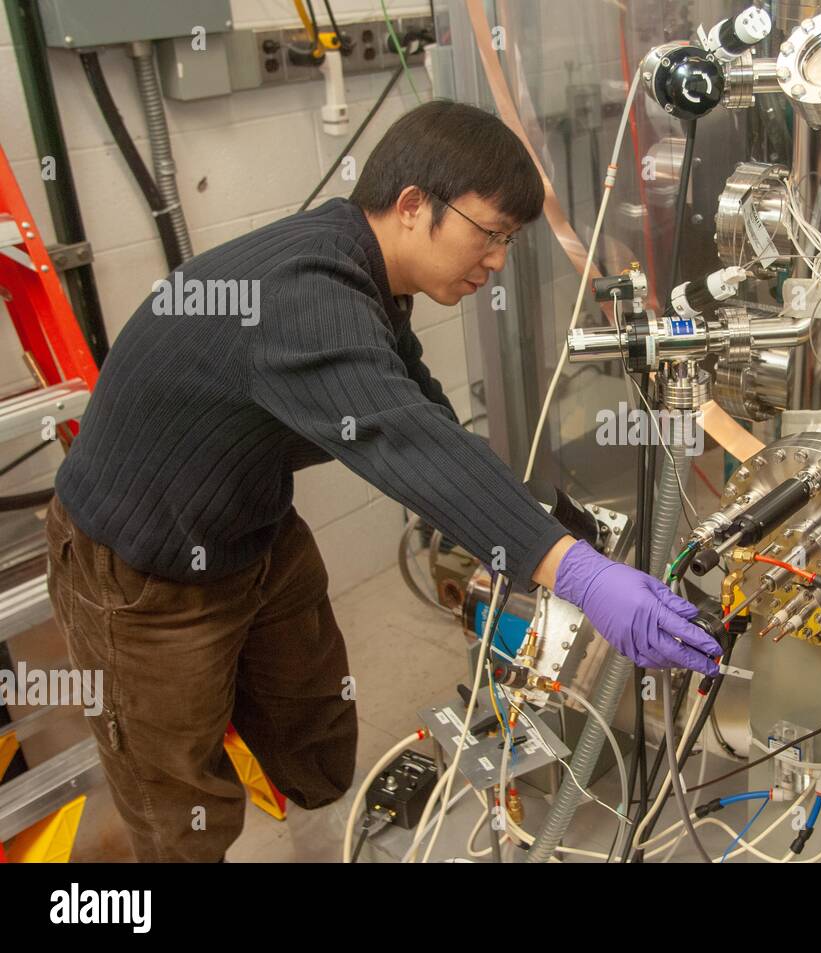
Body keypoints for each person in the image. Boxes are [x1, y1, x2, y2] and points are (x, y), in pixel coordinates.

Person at [45, 99, 720, 862]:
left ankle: (320, 832)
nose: (498, 260)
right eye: (490, 234)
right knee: (180, 807)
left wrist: (548, 524)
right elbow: (401, 439)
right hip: (142, 567)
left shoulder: (362, 270)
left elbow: (420, 411)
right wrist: (578, 574)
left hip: (252, 525)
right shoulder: (305, 295)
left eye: (508, 241)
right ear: (412, 206)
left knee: (316, 738)